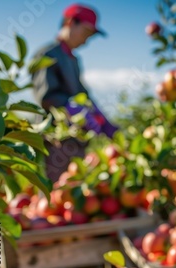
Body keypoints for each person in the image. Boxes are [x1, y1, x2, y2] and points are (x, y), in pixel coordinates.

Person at [31, 3, 118, 182]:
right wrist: (72, 109)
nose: (86, 40)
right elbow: (46, 96)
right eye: (86, 33)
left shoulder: (73, 59)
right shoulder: (48, 55)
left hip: (76, 139)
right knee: (60, 189)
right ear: (71, 23)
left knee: (77, 186)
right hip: (56, 139)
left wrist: (101, 118)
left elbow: (82, 95)